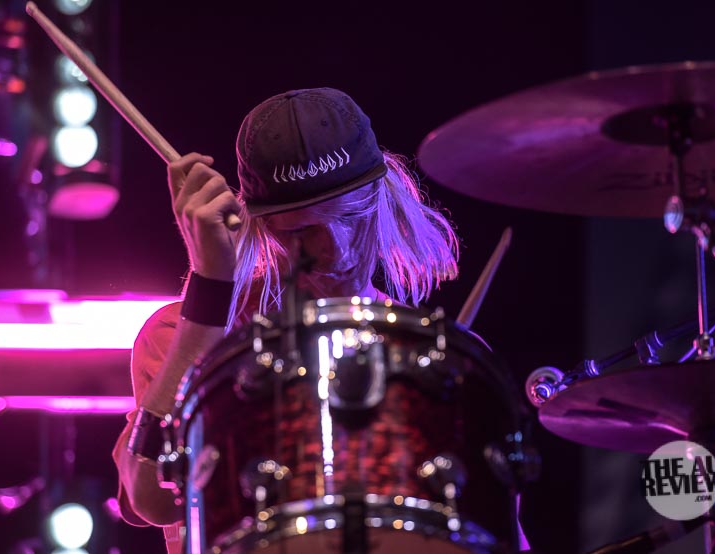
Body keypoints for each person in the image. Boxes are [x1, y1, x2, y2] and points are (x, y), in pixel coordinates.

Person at [112, 87, 461, 553]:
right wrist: (209, 287)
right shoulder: (180, 333)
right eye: (304, 229)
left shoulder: (430, 355)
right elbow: (153, 498)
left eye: (350, 216)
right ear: (262, 225)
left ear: (383, 196)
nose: (335, 249)